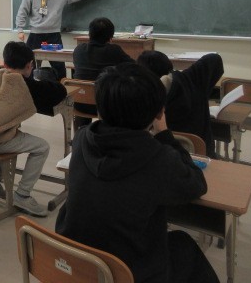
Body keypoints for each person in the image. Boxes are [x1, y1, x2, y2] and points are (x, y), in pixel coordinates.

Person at [55, 63, 219, 283]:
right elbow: (197, 185)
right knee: (185, 245)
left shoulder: (83, 138)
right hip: (126, 272)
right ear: (159, 112)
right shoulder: (158, 158)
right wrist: (164, 134)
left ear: (100, 108)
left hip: (72, 260)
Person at [0, 41, 67, 217]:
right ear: (30, 65)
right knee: (41, 146)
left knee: (11, 131)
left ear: (4, 62)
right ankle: (23, 194)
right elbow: (60, 91)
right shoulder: (29, 87)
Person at [15, 0, 111, 79]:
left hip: (53, 35)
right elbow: (22, 12)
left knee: (59, 68)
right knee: (28, 65)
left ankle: (61, 87)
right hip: (35, 35)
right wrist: (20, 29)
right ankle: (29, 87)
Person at [138, 50, 223, 158]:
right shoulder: (190, 79)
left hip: (165, 157)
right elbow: (214, 58)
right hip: (203, 155)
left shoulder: (149, 99)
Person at [72, 17, 133, 128]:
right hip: (104, 105)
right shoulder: (114, 50)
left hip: (79, 103)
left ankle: (80, 133)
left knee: (86, 91)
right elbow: (134, 67)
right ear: (110, 37)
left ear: (89, 34)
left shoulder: (78, 50)